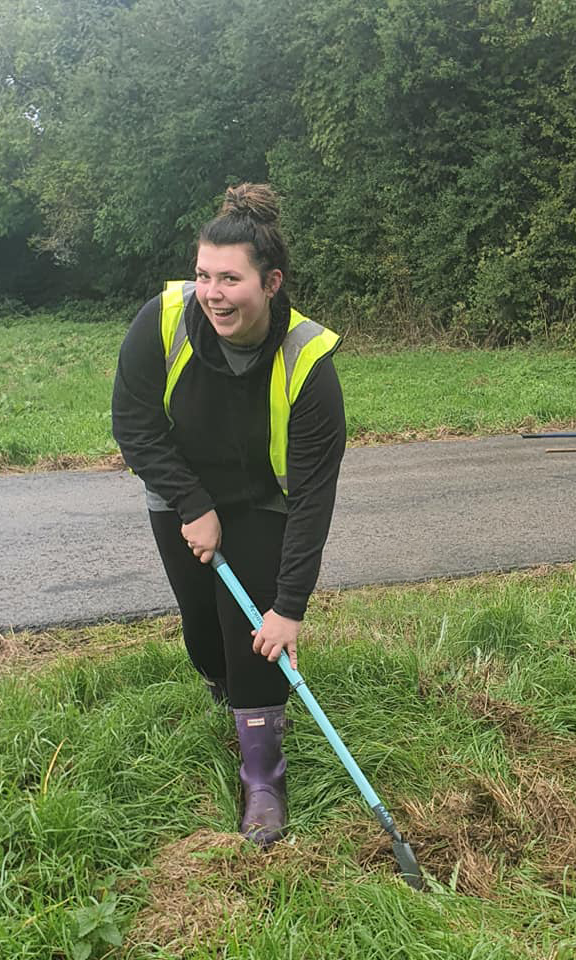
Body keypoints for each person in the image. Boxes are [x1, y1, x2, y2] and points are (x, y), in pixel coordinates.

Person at [111, 183, 346, 847]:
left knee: (255, 636)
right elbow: (132, 421)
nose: (212, 293)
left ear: (271, 282)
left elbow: (313, 497)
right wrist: (193, 503)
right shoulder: (161, 320)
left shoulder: (309, 363)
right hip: (179, 490)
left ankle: (264, 770)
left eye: (230, 279)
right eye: (203, 275)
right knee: (204, 634)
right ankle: (231, 693)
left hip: (263, 501)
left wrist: (290, 606)